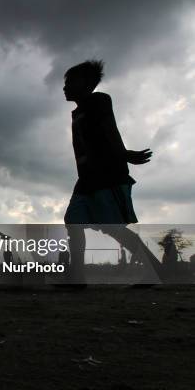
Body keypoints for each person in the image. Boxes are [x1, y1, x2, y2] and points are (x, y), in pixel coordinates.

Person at [62, 59, 162, 287]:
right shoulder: (76, 114)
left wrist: (124, 155)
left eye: (70, 81)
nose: (65, 87)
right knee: (73, 222)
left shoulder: (99, 101)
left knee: (113, 228)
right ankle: (76, 278)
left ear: (87, 83)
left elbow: (109, 130)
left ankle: (154, 271)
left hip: (108, 176)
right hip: (86, 180)